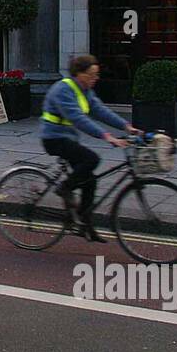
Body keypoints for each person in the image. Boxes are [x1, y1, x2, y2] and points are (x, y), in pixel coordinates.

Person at [40, 53, 142, 239]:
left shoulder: (85, 90)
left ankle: (85, 225)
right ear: (80, 74)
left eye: (97, 74)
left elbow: (100, 110)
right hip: (53, 138)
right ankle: (64, 187)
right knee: (92, 159)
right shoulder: (63, 89)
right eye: (92, 74)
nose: (96, 78)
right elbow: (77, 118)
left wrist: (126, 126)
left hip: (68, 138)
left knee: (90, 180)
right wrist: (107, 136)